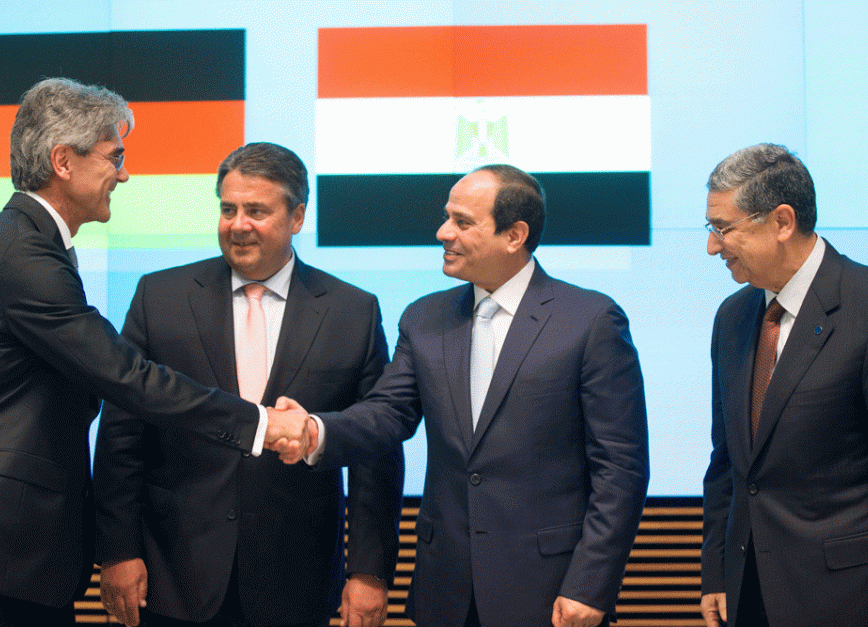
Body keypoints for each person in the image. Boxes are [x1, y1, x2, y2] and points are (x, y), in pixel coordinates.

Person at [0, 78, 304, 627]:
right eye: (114, 156)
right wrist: (259, 423)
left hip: (6, 545)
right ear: (63, 162)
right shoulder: (25, 253)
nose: (123, 173)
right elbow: (127, 376)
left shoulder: (28, 241)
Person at [274, 164, 650, 627]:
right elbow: (388, 413)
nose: (443, 232)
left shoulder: (590, 320)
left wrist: (590, 585)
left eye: (462, 222)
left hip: (550, 591)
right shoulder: (425, 318)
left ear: (514, 235)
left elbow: (621, 469)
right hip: (446, 589)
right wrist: (315, 430)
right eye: (446, 217)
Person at [92, 142, 404, 627]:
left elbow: (375, 454)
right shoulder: (160, 297)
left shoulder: (352, 311)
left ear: (297, 217)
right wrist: (117, 551)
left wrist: (370, 571)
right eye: (228, 209)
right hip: (174, 575)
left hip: (296, 580)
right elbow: (121, 435)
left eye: (256, 211)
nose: (238, 224)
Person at [699, 143, 868, 627]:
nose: (712, 246)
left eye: (723, 229)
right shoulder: (733, 317)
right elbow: (728, 464)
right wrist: (717, 573)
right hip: (748, 596)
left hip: (849, 600)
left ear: (782, 222)